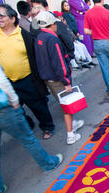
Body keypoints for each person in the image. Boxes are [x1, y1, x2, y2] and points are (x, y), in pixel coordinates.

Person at [0, 47, 63, 193]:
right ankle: (49, 163)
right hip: (0, 107)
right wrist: (14, 101)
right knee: (28, 138)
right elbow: (0, 80)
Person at [0, 4, 55, 140]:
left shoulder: (24, 35)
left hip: (28, 79)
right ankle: (28, 124)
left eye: (1, 15)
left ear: (13, 18)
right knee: (14, 108)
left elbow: (35, 56)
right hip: (7, 80)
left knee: (38, 105)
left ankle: (47, 127)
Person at [34, 10, 84, 145]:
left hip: (48, 78)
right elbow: (59, 62)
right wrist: (66, 81)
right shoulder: (52, 39)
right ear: (52, 24)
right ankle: (70, 134)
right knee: (67, 106)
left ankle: (73, 123)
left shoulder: (39, 37)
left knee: (63, 103)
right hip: (57, 78)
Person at [84, 0, 109, 98]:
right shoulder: (108, 13)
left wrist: (96, 32)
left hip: (97, 42)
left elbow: (86, 30)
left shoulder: (88, 13)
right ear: (102, 1)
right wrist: (106, 32)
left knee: (104, 67)